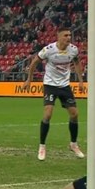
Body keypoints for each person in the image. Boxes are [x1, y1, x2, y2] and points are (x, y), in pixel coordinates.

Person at [23, 27, 85, 161]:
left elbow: (77, 63)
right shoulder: (49, 50)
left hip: (64, 85)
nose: (69, 37)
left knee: (74, 114)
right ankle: (42, 146)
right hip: (50, 85)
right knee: (48, 113)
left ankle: (73, 144)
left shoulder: (73, 50)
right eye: (66, 35)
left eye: (70, 35)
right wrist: (29, 78)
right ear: (59, 37)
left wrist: (81, 81)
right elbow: (34, 61)